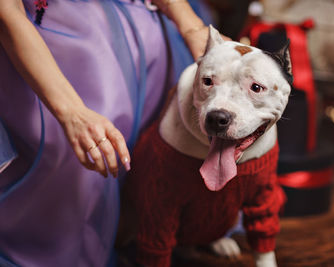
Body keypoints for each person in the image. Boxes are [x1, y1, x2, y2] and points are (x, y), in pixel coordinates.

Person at [0, 0, 214, 266]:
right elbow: (7, 11)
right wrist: (73, 113)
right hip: (51, 37)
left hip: (141, 26)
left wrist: (192, 27)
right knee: (88, 155)